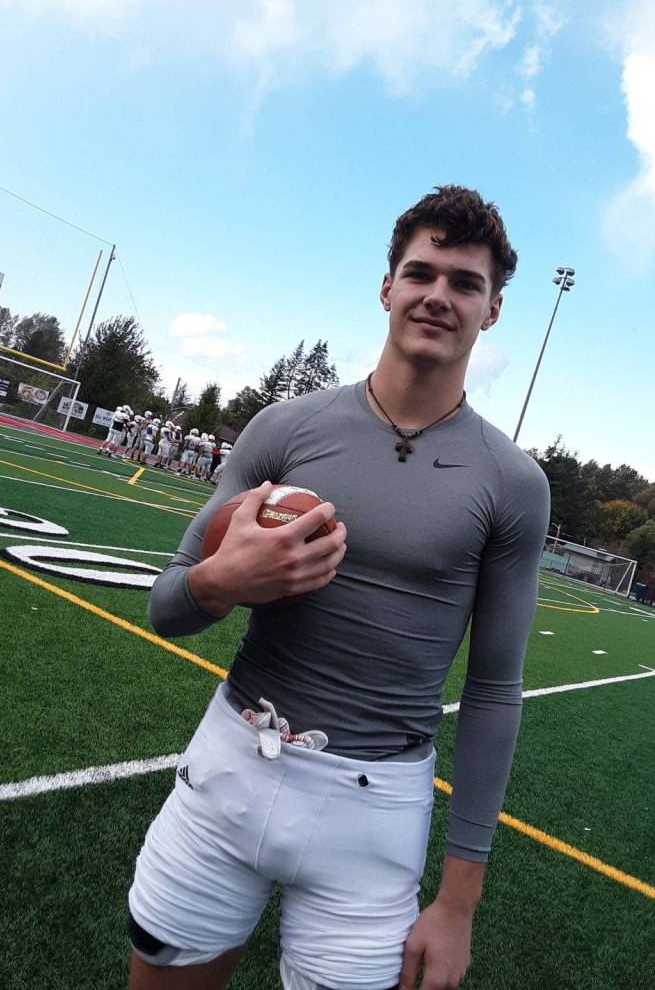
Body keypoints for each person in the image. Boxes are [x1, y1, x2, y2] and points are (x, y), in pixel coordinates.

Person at [127, 185, 550, 990]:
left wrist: (458, 902)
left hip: (375, 812)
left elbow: (494, 691)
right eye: (420, 274)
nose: (438, 296)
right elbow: (166, 605)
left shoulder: (514, 483)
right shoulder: (285, 428)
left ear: (492, 310)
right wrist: (225, 580)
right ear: (387, 287)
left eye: (465, 283)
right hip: (229, 771)